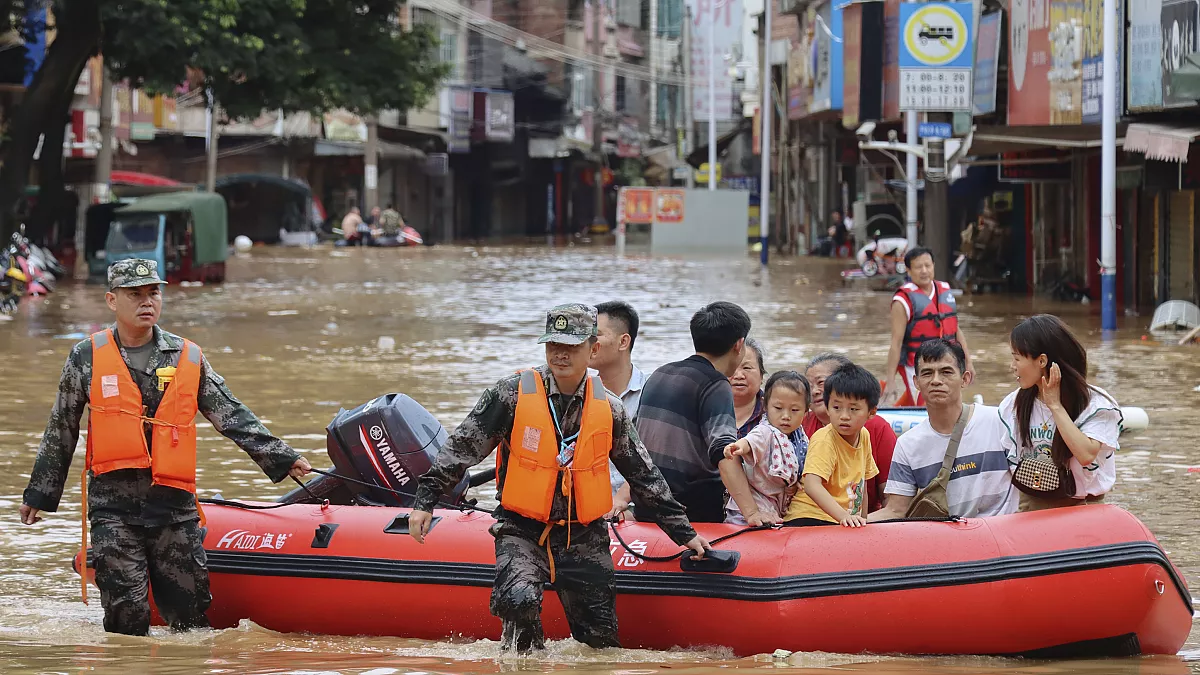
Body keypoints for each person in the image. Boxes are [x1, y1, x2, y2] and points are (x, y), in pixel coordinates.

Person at [17, 259, 311, 636]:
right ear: (112, 300)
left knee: (190, 619)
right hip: (114, 507)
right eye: (135, 294)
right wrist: (40, 493)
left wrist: (283, 457)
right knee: (126, 616)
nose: (147, 302)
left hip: (173, 506)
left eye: (153, 293)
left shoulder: (187, 355)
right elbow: (62, 427)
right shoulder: (85, 357)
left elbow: (231, 414)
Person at [407, 304, 709, 653]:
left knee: (601, 643)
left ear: (592, 349)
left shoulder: (610, 409)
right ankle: (525, 660)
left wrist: (683, 533)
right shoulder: (510, 395)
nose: (560, 354)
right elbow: (461, 449)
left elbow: (643, 475)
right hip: (521, 528)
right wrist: (425, 501)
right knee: (518, 600)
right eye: (553, 345)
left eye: (571, 346)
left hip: (583, 534)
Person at [634, 302, 767, 525]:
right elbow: (724, 453)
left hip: (646, 508)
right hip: (692, 515)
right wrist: (753, 514)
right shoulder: (715, 384)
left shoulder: (659, 373)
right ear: (739, 344)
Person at [870, 339, 1018, 521]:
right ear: (916, 382)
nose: (936, 381)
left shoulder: (1000, 422)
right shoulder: (907, 445)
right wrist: (842, 523)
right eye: (927, 373)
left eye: (946, 372)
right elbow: (896, 511)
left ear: (965, 379)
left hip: (1003, 535)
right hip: (950, 540)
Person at [998, 314, 1120, 512]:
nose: (1013, 367)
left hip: (1085, 507)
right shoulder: (1013, 404)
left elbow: (1086, 454)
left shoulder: (1095, 403)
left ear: (1042, 361)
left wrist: (1055, 406)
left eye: (1017, 359)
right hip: (1033, 504)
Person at [785, 364, 881, 527]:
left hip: (839, 520)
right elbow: (811, 486)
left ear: (871, 412)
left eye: (853, 409)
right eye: (836, 407)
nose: (844, 416)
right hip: (809, 517)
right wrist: (844, 516)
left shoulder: (864, 435)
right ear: (828, 408)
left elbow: (861, 486)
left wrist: (861, 520)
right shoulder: (824, 439)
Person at [802, 353, 895, 512]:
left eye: (821, 383)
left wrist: (862, 521)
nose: (815, 391)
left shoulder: (875, 429)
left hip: (856, 518)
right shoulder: (800, 425)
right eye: (809, 386)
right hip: (816, 517)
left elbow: (889, 496)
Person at [882, 247, 973, 407]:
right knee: (930, 403)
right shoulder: (902, 300)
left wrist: (968, 362)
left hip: (947, 359)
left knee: (949, 400)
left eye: (928, 266)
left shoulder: (944, 290)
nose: (924, 271)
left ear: (933, 266)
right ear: (909, 271)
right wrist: (890, 381)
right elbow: (896, 343)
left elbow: (956, 330)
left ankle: (897, 410)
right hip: (916, 364)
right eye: (918, 267)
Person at [722, 371, 811, 525]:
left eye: (794, 410)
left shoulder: (800, 437)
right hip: (752, 506)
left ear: (806, 410)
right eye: (778, 408)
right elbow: (751, 441)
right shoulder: (765, 431)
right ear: (765, 405)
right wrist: (738, 447)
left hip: (776, 506)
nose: (786, 416)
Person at [591, 301, 647, 518]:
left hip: (636, 509)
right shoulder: (578, 396)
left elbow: (654, 460)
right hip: (589, 507)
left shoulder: (652, 394)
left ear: (623, 342)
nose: (587, 343)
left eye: (596, 335)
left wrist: (623, 501)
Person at [731, 338, 766, 438]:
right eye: (732, 367)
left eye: (747, 368)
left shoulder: (775, 412)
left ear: (761, 376)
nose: (739, 375)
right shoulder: (703, 412)